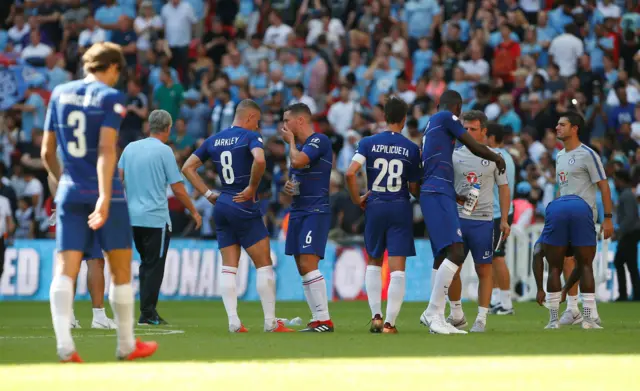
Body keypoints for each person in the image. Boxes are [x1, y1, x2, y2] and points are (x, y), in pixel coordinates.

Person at [41, 42, 158, 362]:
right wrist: (105, 195)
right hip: (106, 192)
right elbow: (107, 149)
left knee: (65, 269)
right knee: (120, 268)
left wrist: (62, 178)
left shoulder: (60, 93)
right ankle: (125, 345)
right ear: (113, 68)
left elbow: (46, 152)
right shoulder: (110, 97)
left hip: (69, 189)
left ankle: (65, 347)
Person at [182, 99, 293, 333]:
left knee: (229, 267)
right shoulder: (250, 137)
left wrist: (208, 193)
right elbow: (260, 159)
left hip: (221, 203)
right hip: (243, 202)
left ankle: (233, 321)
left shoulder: (214, 139)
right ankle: (271, 322)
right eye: (258, 121)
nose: (258, 126)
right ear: (251, 117)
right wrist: (252, 187)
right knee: (264, 264)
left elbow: (187, 167)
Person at [418, 90, 506, 335]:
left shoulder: (431, 126)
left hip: (439, 190)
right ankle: (433, 312)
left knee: (444, 254)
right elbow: (474, 146)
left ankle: (442, 315)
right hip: (436, 190)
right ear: (456, 107)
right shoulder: (447, 117)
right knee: (456, 251)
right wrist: (495, 156)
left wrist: (454, 196)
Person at [344, 97, 421, 334]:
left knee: (374, 261)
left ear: (384, 117)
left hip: (375, 204)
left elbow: (349, 173)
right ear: (404, 119)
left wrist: (358, 199)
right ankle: (390, 323)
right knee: (397, 268)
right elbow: (415, 189)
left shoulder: (368, 143)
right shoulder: (410, 148)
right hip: (399, 205)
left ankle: (376, 316)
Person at [118, 109, 202, 325]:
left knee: (146, 264)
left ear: (149, 126)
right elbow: (178, 188)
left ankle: (145, 310)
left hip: (132, 217)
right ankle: (147, 312)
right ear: (168, 128)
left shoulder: (130, 148)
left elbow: (119, 179)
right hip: (156, 218)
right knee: (154, 266)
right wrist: (193, 211)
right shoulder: (164, 151)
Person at [537, 112, 614, 329]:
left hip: (585, 216)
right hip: (563, 216)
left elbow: (604, 186)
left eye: (562, 124)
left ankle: (590, 311)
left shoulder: (588, 154)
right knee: (563, 261)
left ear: (575, 128)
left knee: (583, 262)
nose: (557, 127)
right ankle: (572, 309)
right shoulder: (560, 156)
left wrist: (607, 218)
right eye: (557, 124)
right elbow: (563, 189)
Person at [446, 111, 511, 333]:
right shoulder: (454, 155)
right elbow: (445, 186)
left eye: (474, 129)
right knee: (453, 269)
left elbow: (503, 188)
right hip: (458, 219)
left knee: (484, 268)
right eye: (466, 129)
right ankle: (456, 314)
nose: (469, 133)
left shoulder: (495, 157)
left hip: (483, 220)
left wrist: (504, 219)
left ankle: (481, 318)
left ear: (484, 131)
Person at [280, 103, 334, 333]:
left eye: (286, 120)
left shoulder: (318, 140)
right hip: (298, 210)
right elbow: (296, 172)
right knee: (301, 266)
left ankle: (324, 320)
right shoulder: (301, 147)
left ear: (300, 121)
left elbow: (298, 161)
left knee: (309, 263)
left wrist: (290, 144)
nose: (284, 126)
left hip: (315, 210)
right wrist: (289, 186)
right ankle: (316, 318)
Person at [48, 172, 117, 330]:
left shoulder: (63, 150)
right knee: (95, 260)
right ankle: (99, 317)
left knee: (70, 262)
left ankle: (67, 317)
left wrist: (60, 201)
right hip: (90, 202)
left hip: (68, 203)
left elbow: (51, 173)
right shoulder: (93, 151)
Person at [486, 124, 516, 315]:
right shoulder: (508, 156)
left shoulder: (492, 156)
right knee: (491, 258)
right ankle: (497, 299)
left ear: (490, 137)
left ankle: (506, 303)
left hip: (498, 213)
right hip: (501, 210)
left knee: (498, 257)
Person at [612, 170, 640, 301]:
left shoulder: (626, 195)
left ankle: (624, 294)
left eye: (616, 180)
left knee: (620, 262)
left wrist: (619, 231)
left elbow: (629, 217)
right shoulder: (628, 195)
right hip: (632, 233)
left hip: (629, 234)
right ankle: (636, 294)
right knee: (631, 265)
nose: (615, 183)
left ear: (622, 180)